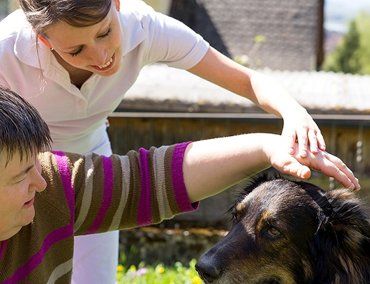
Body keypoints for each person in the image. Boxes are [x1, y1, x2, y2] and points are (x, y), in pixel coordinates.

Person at [0, 0, 327, 282]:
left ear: (116, 4)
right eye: (76, 50)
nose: (101, 56)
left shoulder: (145, 27)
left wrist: (293, 113)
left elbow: (248, 80)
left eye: (104, 33)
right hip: (20, 171)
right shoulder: (7, 48)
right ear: (44, 41)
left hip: (89, 166)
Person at [0, 87, 360, 283]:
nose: (42, 182)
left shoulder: (54, 187)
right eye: (21, 175)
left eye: (38, 164)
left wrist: (269, 146)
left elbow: (148, 178)